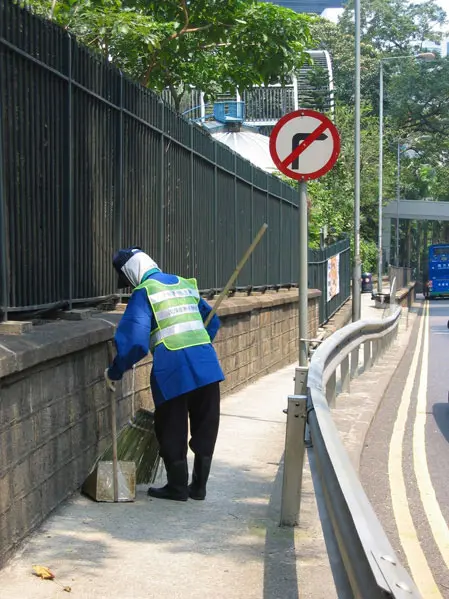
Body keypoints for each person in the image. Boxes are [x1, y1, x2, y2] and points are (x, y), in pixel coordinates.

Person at [104, 247, 224, 502]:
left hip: (172, 368)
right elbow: (212, 322)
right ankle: (199, 487)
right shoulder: (184, 284)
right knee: (206, 423)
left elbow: (135, 343)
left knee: (171, 425)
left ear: (131, 273)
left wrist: (115, 371)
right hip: (206, 364)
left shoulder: (144, 292)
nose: (127, 286)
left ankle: (177, 487)